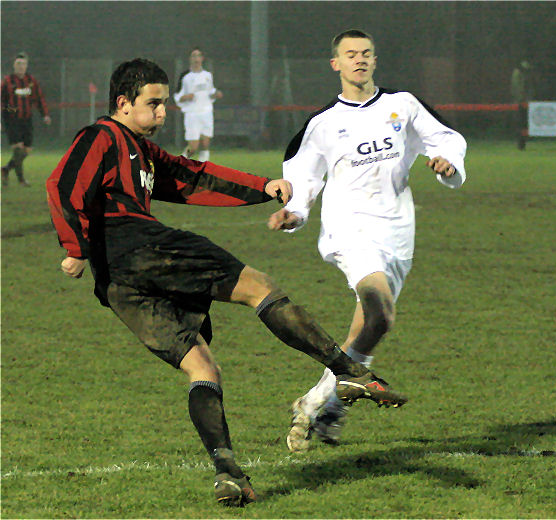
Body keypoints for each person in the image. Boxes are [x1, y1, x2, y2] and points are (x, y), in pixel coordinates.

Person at [46, 58, 407, 507]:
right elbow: (63, 185)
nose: (162, 114)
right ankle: (348, 372)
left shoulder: (143, 151)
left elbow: (192, 178)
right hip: (140, 244)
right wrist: (74, 247)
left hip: (117, 281)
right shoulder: (102, 135)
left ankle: (228, 474)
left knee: (202, 368)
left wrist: (261, 187)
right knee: (258, 286)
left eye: (165, 105)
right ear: (123, 103)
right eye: (153, 104)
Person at [268, 29, 466, 453]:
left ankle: (319, 404)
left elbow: (447, 138)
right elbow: (303, 180)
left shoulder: (403, 106)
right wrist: (294, 213)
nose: (359, 60)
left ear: (375, 60)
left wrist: (449, 164)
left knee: (366, 329)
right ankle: (337, 398)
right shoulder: (322, 124)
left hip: (397, 232)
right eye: (350, 54)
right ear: (335, 64)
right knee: (381, 315)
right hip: (350, 231)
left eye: (366, 54)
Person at [1, 52, 51, 187]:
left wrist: (45, 115)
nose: (21, 67)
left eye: (23, 64)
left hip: (27, 119)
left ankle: (6, 169)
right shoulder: (7, 81)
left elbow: (39, 99)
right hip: (12, 120)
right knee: (18, 149)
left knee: (27, 150)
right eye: (18, 64)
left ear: (27, 66)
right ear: (14, 65)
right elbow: (1, 102)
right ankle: (21, 180)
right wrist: (8, 113)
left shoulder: (31, 81)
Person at [174, 47, 222, 162]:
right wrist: (185, 97)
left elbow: (210, 91)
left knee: (205, 144)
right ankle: (178, 164)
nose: (196, 58)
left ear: (202, 58)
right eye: (194, 56)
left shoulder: (208, 75)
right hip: (192, 114)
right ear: (190, 59)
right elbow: (177, 96)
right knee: (193, 147)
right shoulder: (185, 77)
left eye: (198, 56)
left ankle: (203, 169)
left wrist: (215, 94)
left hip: (206, 112)